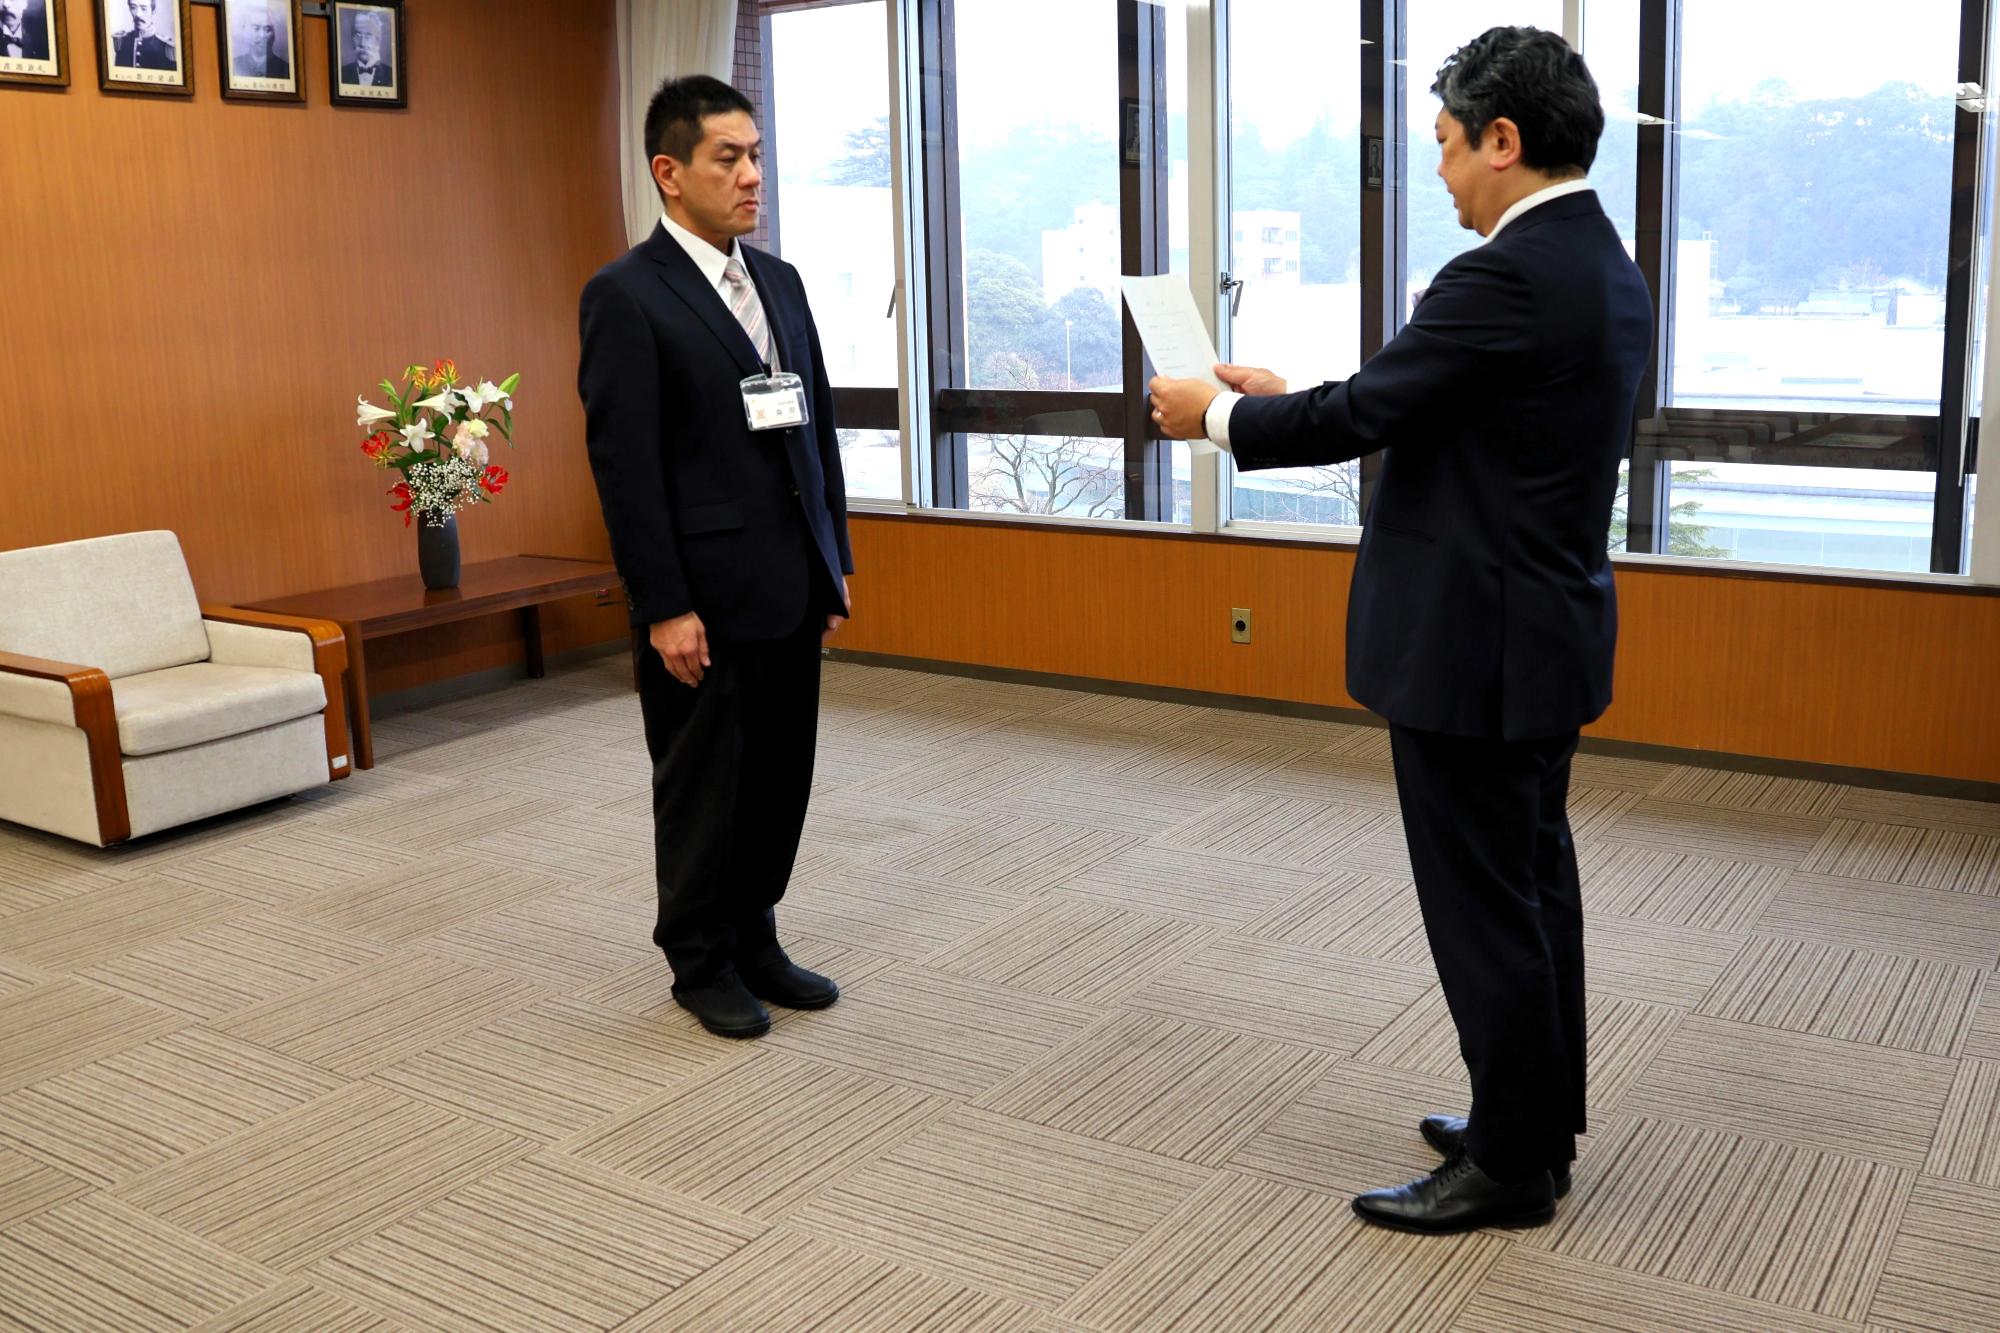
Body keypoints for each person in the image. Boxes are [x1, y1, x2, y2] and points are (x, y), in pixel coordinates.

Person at [1149, 26, 1652, 1233]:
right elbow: (1438, 412)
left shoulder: (1502, 273)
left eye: (1440, 145)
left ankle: (1509, 1167)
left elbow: (1378, 405)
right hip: (1538, 634)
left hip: (1471, 652)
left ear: (1501, 139)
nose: (1435, 173)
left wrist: (1212, 417)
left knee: (1484, 908)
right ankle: (1529, 1120)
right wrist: (1280, 403)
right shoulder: (1598, 260)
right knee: (1532, 891)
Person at [577, 75, 853, 1039]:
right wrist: (662, 605)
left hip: (789, 579)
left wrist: (833, 561)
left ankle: (757, 934)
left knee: (782, 773)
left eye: (757, 155)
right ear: (670, 172)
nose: (752, 176)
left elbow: (814, 433)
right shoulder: (624, 296)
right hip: (700, 596)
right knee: (704, 783)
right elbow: (625, 468)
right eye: (727, 158)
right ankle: (698, 958)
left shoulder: (779, 280)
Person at [232, 3, 289, 80]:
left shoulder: (285, 69)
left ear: (274, 33)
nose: (262, 35)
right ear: (245, 30)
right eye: (256, 28)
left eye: (267, 29)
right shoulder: (234, 65)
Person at [113, 0, 175, 70]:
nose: (138, 14)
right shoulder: (122, 41)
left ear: (153, 12)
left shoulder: (165, 46)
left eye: (144, 9)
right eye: (133, 7)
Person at [340, 9, 391, 87]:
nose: (362, 43)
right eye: (358, 35)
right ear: (352, 38)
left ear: (378, 39)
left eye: (368, 36)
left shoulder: (391, 75)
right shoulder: (342, 73)